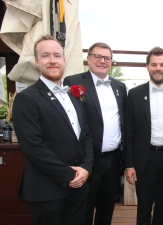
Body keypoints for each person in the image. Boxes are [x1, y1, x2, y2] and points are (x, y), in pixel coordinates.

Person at [12, 35, 93, 225]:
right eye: (46, 55)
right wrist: (69, 174)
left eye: (57, 55)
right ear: (36, 61)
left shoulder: (73, 97)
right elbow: (33, 147)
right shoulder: (26, 99)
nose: (52, 61)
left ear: (64, 60)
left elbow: (86, 137)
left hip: (79, 187)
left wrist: (86, 169)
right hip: (47, 190)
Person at [63, 42, 127, 225]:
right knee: (84, 208)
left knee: (107, 208)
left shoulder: (119, 87)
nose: (102, 61)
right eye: (97, 56)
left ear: (111, 62)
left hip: (113, 160)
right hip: (87, 159)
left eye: (107, 58)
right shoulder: (73, 82)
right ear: (88, 59)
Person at [125, 47, 163, 225]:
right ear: (147, 67)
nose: (158, 68)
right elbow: (129, 131)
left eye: (162, 64)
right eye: (154, 64)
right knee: (143, 208)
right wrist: (129, 164)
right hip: (145, 159)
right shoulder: (135, 94)